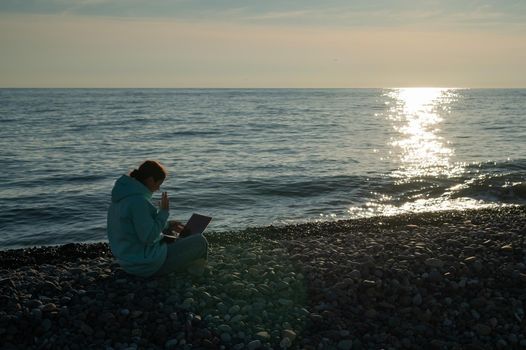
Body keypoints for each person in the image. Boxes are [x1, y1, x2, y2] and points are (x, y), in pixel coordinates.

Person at [107, 160, 208, 277]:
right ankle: (195, 271)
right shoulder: (138, 202)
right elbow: (149, 237)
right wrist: (163, 213)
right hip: (146, 266)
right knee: (200, 241)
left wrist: (167, 225)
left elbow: (137, 229)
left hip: (128, 261)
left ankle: (189, 265)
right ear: (150, 180)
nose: (158, 189)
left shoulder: (120, 199)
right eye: (158, 184)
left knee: (173, 235)